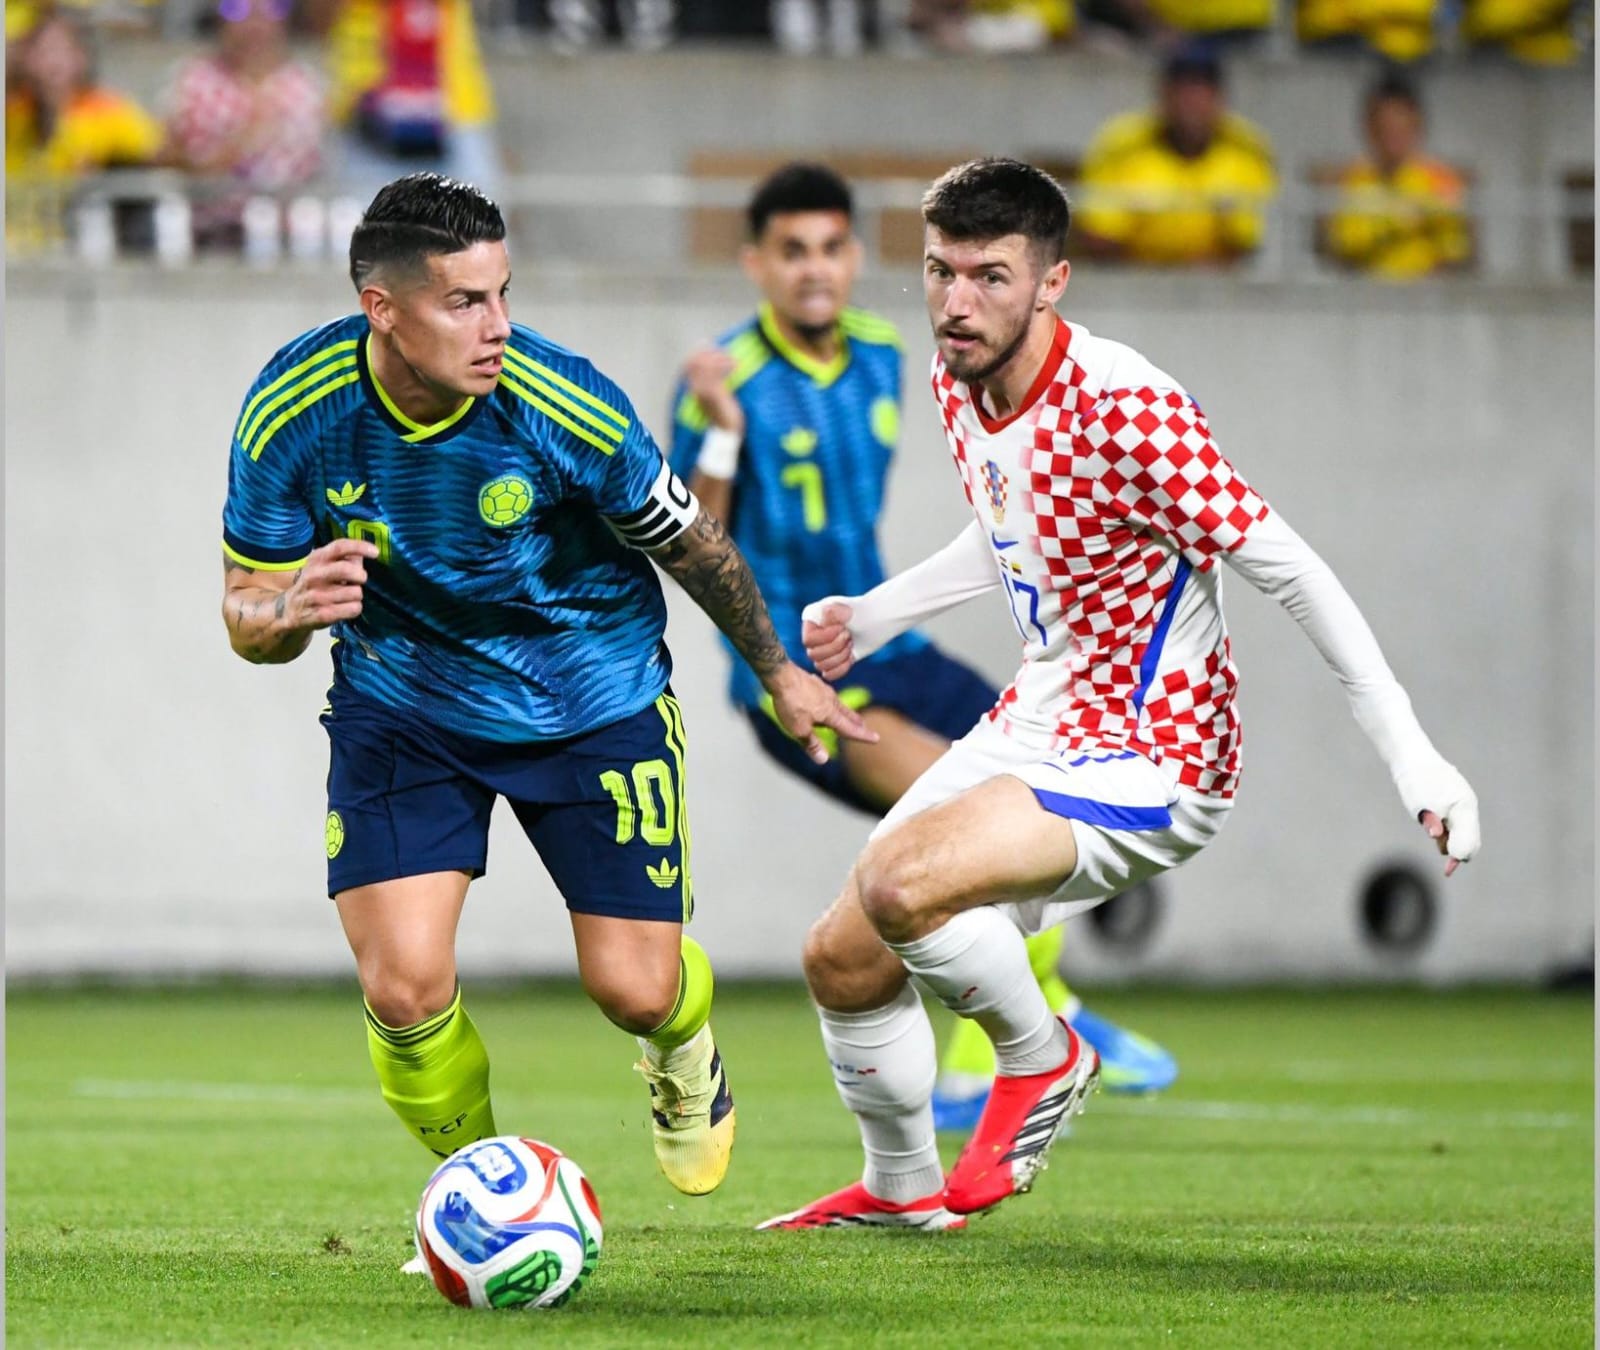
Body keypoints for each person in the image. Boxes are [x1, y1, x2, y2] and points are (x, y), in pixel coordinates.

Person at [761, 157, 1480, 1231]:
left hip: (1157, 752)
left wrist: (1411, 752)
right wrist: (877, 615)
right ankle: (902, 1189)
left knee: (904, 887)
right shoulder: (961, 374)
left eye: (991, 277)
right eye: (941, 271)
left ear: (1053, 282)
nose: (956, 303)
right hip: (1040, 718)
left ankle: (1042, 1056)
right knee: (841, 953)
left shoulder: (1125, 404)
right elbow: (1014, 525)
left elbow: (1289, 569)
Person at [219, 174, 871, 1216]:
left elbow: (692, 546)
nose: (498, 327)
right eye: (464, 302)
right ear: (381, 308)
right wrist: (288, 610)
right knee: (402, 990)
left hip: (590, 699)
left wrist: (778, 672)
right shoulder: (293, 411)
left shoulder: (563, 403)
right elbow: (246, 609)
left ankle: (680, 1046)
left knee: (635, 990)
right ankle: (481, 1199)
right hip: (404, 705)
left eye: (503, 294)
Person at [669, 160, 1177, 1133]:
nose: (813, 269)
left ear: (856, 257)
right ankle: (988, 1064)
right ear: (755, 264)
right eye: (791, 251)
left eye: (830, 248)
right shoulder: (722, 378)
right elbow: (696, 538)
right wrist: (724, 433)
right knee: (960, 837)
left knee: (1054, 778)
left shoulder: (884, 352)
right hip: (798, 675)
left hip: (889, 649)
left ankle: (1048, 1017)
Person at [1075, 48, 1276, 268]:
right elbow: (1099, 235)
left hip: (1222, 282)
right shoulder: (1120, 147)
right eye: (1181, 90)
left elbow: (1252, 242)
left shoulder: (1247, 151)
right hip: (1133, 277)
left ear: (1219, 98)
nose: (1191, 102)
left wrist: (1199, 271)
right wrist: (1156, 273)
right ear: (1163, 95)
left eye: (1201, 90)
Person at [163, 0, 325, 247]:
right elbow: (173, 163)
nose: (254, 24)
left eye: (269, 9)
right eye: (238, 10)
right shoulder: (194, 82)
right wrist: (242, 142)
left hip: (292, 234)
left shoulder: (306, 86)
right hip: (212, 233)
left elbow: (319, 172)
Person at [1324, 72, 1470, 281]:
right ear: (1369, 128)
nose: (1392, 139)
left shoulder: (1440, 180)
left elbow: (1453, 253)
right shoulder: (1351, 180)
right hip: (1364, 292)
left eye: (1401, 129)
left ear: (1417, 125)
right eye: (1384, 129)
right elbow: (1342, 250)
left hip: (1426, 294)